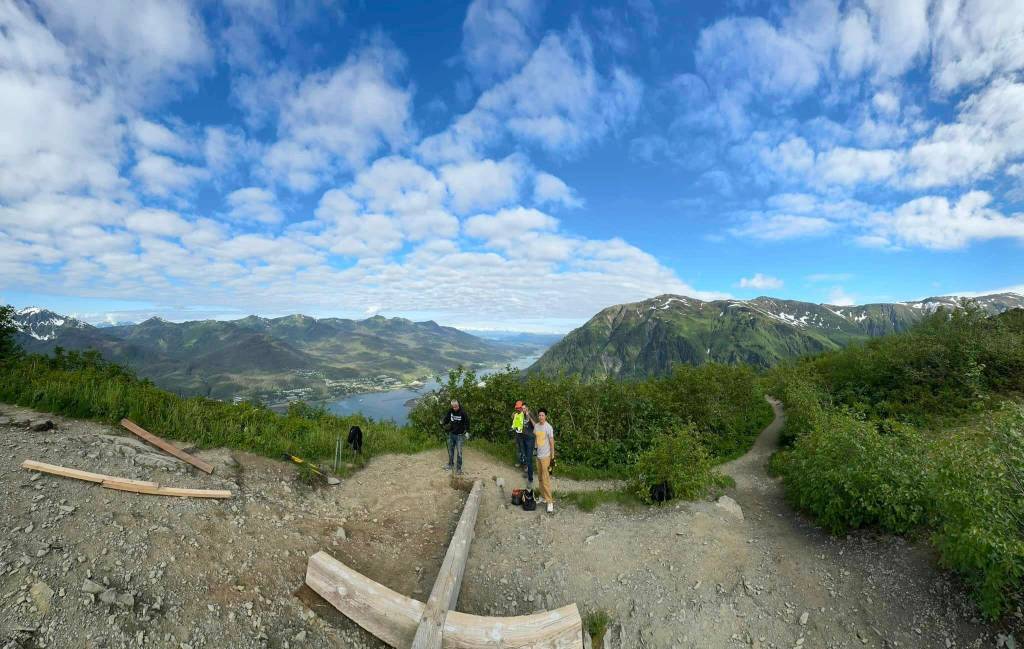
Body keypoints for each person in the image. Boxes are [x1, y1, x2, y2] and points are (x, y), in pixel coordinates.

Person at [531, 408, 555, 513]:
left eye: (542, 415)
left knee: (546, 480)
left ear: (546, 416)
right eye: (539, 415)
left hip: (546, 457)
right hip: (538, 457)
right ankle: (542, 497)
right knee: (540, 478)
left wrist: (552, 457)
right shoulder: (536, 426)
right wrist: (535, 451)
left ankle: (550, 502)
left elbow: (551, 442)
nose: (541, 417)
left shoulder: (548, 427)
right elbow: (536, 435)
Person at [440, 399, 470, 475]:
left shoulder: (463, 412)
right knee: (451, 450)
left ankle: (458, 469)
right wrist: (442, 422)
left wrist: (466, 431)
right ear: (452, 406)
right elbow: (447, 418)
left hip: (459, 436)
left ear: (458, 404)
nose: (455, 408)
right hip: (452, 434)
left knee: (459, 452)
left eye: (456, 406)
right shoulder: (450, 411)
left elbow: (467, 422)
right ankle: (450, 464)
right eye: (453, 407)